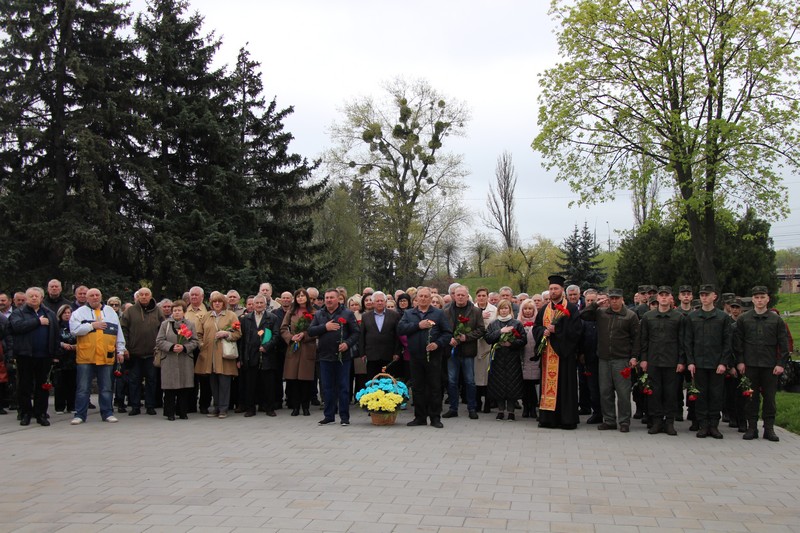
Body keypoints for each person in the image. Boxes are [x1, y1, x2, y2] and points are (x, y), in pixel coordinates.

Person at [735, 286, 790, 442]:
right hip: (750, 364)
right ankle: (752, 427)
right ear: (752, 299)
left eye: (762, 297)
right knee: (751, 397)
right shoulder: (744, 319)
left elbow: (784, 344)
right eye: (757, 297)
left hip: (770, 366)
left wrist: (781, 364)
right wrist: (740, 361)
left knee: (770, 398)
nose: (759, 300)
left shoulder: (776, 320)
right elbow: (738, 343)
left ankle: (769, 428)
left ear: (768, 299)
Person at [581, 288, 640, 433]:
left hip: (622, 359)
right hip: (604, 359)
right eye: (611, 298)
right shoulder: (601, 313)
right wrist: (596, 303)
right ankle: (609, 420)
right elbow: (584, 314)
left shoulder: (630, 316)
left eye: (616, 298)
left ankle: (624, 421)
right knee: (605, 391)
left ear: (622, 299)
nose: (614, 301)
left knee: (623, 393)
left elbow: (637, 339)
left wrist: (634, 356)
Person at [398, 287, 453, 428]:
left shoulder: (438, 313)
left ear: (430, 298)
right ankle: (420, 417)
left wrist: (437, 344)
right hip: (415, 356)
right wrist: (418, 325)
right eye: (420, 296)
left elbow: (447, 333)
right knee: (417, 387)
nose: (423, 299)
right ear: (416, 298)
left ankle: (435, 418)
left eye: (426, 296)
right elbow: (401, 329)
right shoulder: (409, 313)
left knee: (434, 387)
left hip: (433, 357)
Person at [69, 288, 126, 424]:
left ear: (101, 297)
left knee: (106, 387)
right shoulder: (79, 312)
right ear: (87, 298)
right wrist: (92, 326)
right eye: (92, 295)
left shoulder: (110, 312)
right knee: (83, 388)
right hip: (86, 357)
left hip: (106, 356)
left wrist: (121, 350)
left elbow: (118, 332)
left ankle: (107, 413)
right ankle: (80, 415)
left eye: (97, 295)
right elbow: (74, 330)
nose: (95, 297)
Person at [534, 275, 583, 430]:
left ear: (562, 290)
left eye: (556, 288)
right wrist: (543, 332)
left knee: (565, 387)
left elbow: (577, 331)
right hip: (548, 355)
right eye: (551, 289)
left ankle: (567, 420)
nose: (553, 291)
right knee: (548, 387)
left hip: (565, 356)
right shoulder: (544, 310)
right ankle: (548, 419)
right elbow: (536, 328)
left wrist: (558, 330)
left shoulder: (571, 309)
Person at [685, 284, 733, 439]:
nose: (704, 298)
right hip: (698, 363)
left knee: (716, 395)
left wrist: (723, 363)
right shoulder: (693, 317)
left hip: (716, 363)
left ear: (714, 296)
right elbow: (688, 341)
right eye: (702, 295)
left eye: (707, 295)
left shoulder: (723, 317)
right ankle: (703, 425)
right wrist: (690, 361)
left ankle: (714, 425)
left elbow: (727, 342)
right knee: (701, 395)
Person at [639, 286, 687, 436]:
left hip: (672, 362)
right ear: (657, 298)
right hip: (653, 361)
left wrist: (681, 361)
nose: (664, 298)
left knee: (671, 393)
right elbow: (644, 340)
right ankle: (657, 421)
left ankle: (669, 422)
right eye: (661, 295)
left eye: (667, 295)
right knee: (654, 393)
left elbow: (682, 341)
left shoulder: (679, 317)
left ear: (671, 298)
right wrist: (643, 359)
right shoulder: (648, 316)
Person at [9, 287, 60, 426]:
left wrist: (55, 354)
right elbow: (17, 327)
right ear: (26, 298)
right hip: (25, 355)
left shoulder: (49, 313)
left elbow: (55, 334)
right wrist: (38, 322)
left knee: (43, 386)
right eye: (31, 296)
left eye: (36, 296)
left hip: (44, 355)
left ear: (41, 298)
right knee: (24, 385)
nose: (34, 298)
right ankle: (25, 413)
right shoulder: (18, 313)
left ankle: (41, 413)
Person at [308, 288, 360, 426]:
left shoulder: (347, 313)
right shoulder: (319, 314)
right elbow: (311, 331)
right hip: (325, 356)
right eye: (327, 298)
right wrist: (325, 327)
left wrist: (347, 344)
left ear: (338, 299)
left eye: (331, 297)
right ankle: (329, 415)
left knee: (343, 387)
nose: (329, 300)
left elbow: (356, 333)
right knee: (327, 387)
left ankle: (344, 417)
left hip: (343, 356)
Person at [195, 292, 242, 418]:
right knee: (213, 383)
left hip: (224, 355)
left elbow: (238, 334)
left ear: (224, 303)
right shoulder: (206, 316)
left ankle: (223, 408)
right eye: (214, 302)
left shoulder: (231, 315)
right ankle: (216, 407)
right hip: (209, 355)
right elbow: (198, 334)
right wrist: (201, 344)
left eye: (219, 301)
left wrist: (226, 334)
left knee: (224, 382)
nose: (217, 304)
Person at [442, 285, 485, 420]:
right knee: (452, 381)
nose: (460, 297)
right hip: (452, 351)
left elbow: (481, 330)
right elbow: (441, 328)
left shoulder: (475, 311)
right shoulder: (446, 310)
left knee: (470, 381)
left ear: (467, 296)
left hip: (468, 350)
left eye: (463, 295)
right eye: (458, 295)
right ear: (454, 296)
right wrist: (449, 338)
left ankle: (472, 408)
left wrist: (467, 337)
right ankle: (453, 408)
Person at [120, 287, 164, 416]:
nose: (144, 297)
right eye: (141, 294)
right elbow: (123, 329)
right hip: (135, 352)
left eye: (146, 294)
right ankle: (135, 406)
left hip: (152, 353)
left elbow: (163, 329)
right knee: (134, 381)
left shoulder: (158, 311)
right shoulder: (130, 311)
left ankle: (150, 406)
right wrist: (125, 347)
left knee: (152, 380)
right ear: (137, 296)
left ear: (151, 296)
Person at [155, 299, 198, 420]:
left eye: (179, 310)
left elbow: (195, 341)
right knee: (170, 388)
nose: (177, 312)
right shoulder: (165, 324)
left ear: (184, 312)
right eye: (174, 310)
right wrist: (171, 346)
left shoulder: (190, 325)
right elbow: (159, 341)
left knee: (184, 387)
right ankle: (170, 413)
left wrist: (184, 347)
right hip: (169, 358)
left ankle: (182, 412)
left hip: (184, 359)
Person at [485, 300, 526, 420]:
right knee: (499, 384)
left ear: (510, 310)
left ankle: (511, 411)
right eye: (501, 308)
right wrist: (500, 331)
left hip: (512, 358)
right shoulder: (494, 324)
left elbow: (523, 340)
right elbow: (488, 338)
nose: (504, 310)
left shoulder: (516, 323)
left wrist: (511, 343)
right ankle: (500, 410)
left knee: (512, 384)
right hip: (497, 358)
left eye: (506, 308)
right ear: (498, 310)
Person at [280, 289, 317, 416]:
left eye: (303, 296)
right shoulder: (291, 312)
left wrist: (305, 335)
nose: (300, 298)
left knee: (305, 379)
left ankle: (306, 406)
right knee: (293, 379)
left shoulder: (314, 312)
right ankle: (295, 406)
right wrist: (291, 337)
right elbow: (283, 328)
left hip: (307, 347)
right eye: (298, 296)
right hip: (294, 348)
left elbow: (317, 330)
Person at [358, 291, 403, 379]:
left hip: (389, 355)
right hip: (371, 355)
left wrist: (397, 352)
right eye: (377, 301)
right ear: (373, 302)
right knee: (373, 381)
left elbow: (398, 336)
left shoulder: (394, 315)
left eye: (382, 301)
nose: (379, 303)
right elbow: (362, 335)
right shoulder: (366, 316)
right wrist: (362, 353)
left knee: (388, 381)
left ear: (385, 302)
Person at [473, 287, 497, 413]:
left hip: (488, 346)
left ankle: (488, 402)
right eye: (479, 296)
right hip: (475, 345)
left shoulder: (494, 310)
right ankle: (477, 402)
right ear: (476, 297)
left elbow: (497, 325)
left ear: (487, 297)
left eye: (484, 295)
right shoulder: (471, 309)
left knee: (488, 375)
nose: (481, 298)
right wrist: (479, 317)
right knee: (476, 375)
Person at [53, 305, 77, 415]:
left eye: (69, 313)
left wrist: (76, 346)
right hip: (61, 358)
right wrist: (62, 344)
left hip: (73, 358)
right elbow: (53, 340)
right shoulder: (56, 326)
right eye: (65, 313)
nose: (67, 315)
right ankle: (59, 406)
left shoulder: (75, 325)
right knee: (60, 384)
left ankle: (72, 405)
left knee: (72, 383)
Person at [518, 299, 539, 419]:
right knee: (525, 384)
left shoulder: (538, 323)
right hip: (522, 357)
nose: (527, 311)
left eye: (530, 308)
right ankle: (526, 406)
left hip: (534, 357)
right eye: (525, 308)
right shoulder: (517, 323)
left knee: (532, 384)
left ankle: (533, 407)